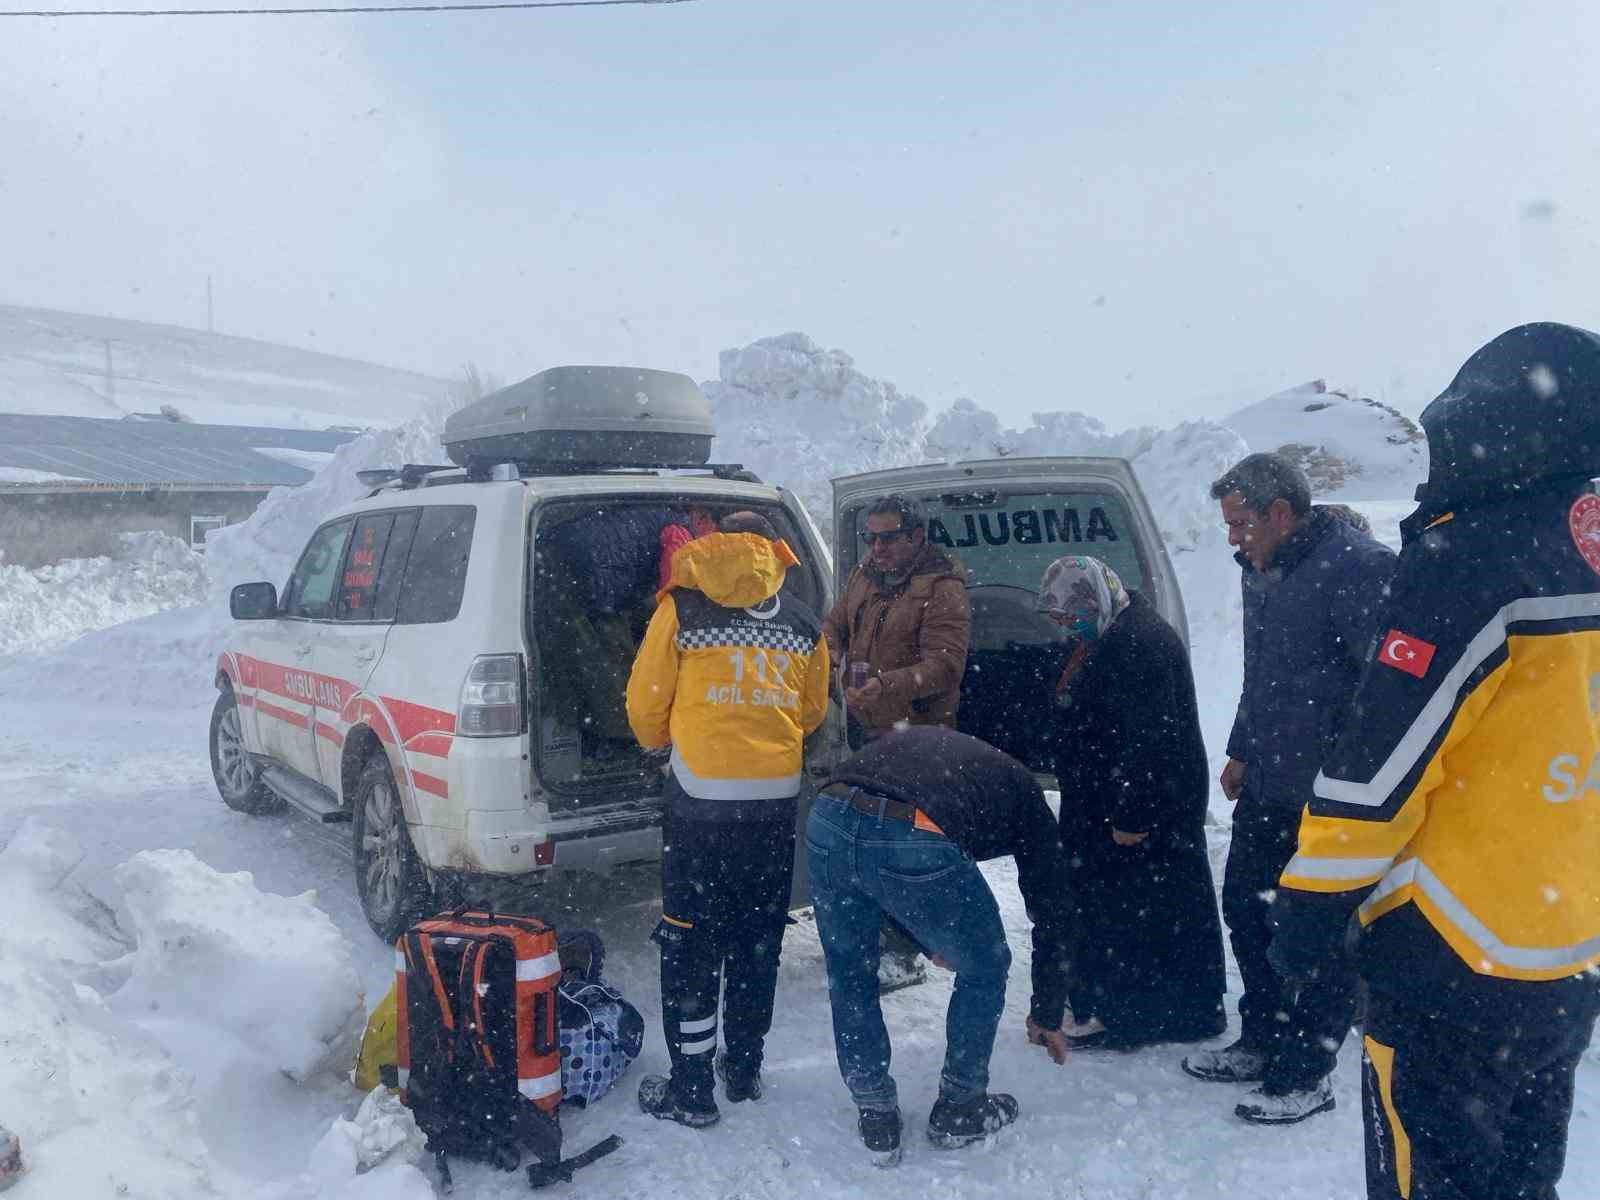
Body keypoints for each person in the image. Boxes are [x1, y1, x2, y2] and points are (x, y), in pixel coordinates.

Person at [1270, 322, 1600, 1199]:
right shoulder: (1584, 546)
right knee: (1526, 1181)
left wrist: (1312, 899)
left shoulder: (1473, 554)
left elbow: (1381, 765)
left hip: (1449, 949)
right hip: (1564, 950)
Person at [1181, 452, 1396, 1124]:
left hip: (1332, 798)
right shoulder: (1262, 569)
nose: (1233, 536)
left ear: (1281, 512)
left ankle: (1307, 1072)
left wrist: (1352, 781)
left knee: (1320, 935)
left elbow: (1386, 690)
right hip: (1271, 781)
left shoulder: (1359, 567)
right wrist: (1242, 747)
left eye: (1241, 522)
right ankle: (1263, 1035)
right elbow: (1263, 672)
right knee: (1245, 908)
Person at [624, 510, 830, 1128]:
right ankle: (742, 1070)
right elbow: (812, 712)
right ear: (773, 551)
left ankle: (691, 1090)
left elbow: (643, 706)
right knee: (756, 937)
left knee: (691, 941)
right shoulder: (801, 621)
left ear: (711, 546)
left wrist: (673, 737)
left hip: (698, 808)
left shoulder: (682, 610)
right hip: (771, 806)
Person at [806, 725, 1073, 1165]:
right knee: (985, 964)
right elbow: (1053, 910)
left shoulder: (951, 757)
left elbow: (868, 861)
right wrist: (1047, 1011)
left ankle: (875, 1113)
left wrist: (924, 937)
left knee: (850, 968)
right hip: (909, 828)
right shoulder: (1026, 800)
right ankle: (960, 1108)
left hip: (829, 813)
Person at [1034, 555, 1226, 1049]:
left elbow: (1151, 739)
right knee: (1128, 905)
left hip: (1142, 806)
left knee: (1144, 910)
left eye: (1069, 615)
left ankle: (1142, 1014)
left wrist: (1132, 812)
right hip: (1108, 798)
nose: (1065, 627)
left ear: (1093, 599)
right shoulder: (1110, 632)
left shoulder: (1140, 645)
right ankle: (1137, 1005)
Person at [821, 494, 971, 988]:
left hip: (917, 739)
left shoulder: (942, 589)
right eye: (871, 537)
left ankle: (907, 951)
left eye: (888, 537)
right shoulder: (865, 575)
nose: (877, 547)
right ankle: (878, 936)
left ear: (915, 537)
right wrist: (834, 649)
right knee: (866, 840)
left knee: (907, 848)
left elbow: (945, 666)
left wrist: (887, 685)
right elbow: (837, 620)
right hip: (867, 731)